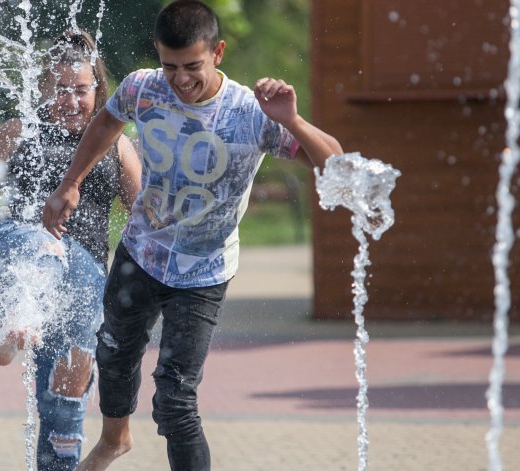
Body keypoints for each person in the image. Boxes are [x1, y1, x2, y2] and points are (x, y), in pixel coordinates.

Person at [42, 2, 344, 470]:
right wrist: (71, 183)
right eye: (170, 66)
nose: (180, 79)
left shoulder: (251, 113)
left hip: (203, 271)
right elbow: (106, 122)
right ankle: (115, 439)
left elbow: (335, 164)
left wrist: (291, 121)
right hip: (142, 252)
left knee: (176, 398)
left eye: (192, 66)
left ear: (217, 53)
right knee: (114, 355)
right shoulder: (142, 87)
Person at [0, 31, 141, 471]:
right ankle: (20, 314)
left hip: (83, 283)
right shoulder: (18, 132)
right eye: (60, 90)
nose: (71, 101)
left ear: (97, 90)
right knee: (44, 244)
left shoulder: (117, 144)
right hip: (17, 247)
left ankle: (56, 461)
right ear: (42, 89)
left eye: (80, 90)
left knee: (65, 400)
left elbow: (145, 218)